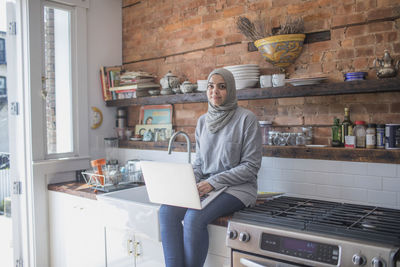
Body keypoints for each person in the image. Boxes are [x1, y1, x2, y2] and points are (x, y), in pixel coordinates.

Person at [159, 68, 262, 267]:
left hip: (238, 188)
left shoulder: (246, 119)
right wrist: (186, 182)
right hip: (208, 186)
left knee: (193, 218)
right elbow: (200, 164)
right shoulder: (203, 121)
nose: (215, 91)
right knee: (166, 212)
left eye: (222, 87)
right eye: (211, 86)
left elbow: (250, 167)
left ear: (230, 90)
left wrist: (213, 182)